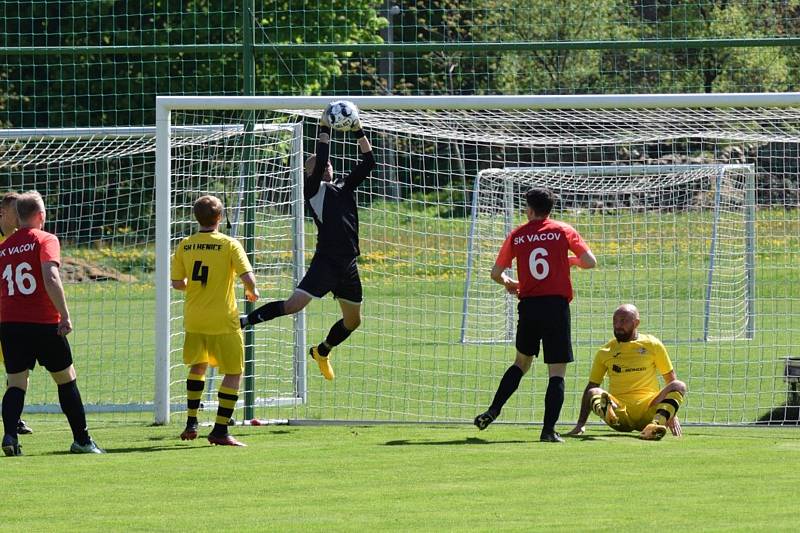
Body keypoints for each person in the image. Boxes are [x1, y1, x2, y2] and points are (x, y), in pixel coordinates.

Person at [241, 102, 375, 381]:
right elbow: (321, 154)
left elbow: (369, 163)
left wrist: (358, 129)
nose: (325, 165)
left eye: (326, 164)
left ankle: (322, 350)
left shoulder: (344, 185)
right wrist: (324, 126)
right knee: (293, 306)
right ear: (309, 173)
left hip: (348, 265)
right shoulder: (313, 190)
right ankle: (244, 322)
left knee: (354, 321)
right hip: (326, 262)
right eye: (318, 165)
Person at [474, 187, 596, 443]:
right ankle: (548, 430)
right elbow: (590, 261)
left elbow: (495, 273)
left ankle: (494, 409)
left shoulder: (517, 235)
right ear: (550, 209)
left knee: (521, 362)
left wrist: (509, 281)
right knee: (557, 372)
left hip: (529, 307)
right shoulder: (564, 230)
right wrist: (569, 261)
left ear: (529, 209)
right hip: (556, 307)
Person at [0, 191, 103, 456]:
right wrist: (65, 315)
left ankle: (10, 436)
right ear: (39, 215)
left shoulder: (4, 248)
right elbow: (51, 276)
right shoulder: (45, 239)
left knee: (16, 383)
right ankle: (82, 440)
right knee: (66, 379)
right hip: (43, 322)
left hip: (10, 323)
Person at [171, 195, 260, 447]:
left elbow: (178, 283)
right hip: (223, 319)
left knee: (198, 367)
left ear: (196, 217)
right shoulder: (229, 244)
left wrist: (195, 285)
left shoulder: (185, 244)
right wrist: (253, 291)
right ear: (219, 218)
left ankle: (191, 422)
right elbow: (248, 278)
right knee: (234, 372)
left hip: (195, 318)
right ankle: (220, 430)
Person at [567, 304, 687, 440]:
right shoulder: (604, 352)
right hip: (620, 412)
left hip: (649, 409)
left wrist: (671, 413)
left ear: (636, 323)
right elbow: (591, 386)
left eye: (623, 321)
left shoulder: (653, 345)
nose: (617, 325)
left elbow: (670, 380)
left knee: (679, 385)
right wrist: (580, 424)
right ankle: (608, 413)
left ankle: (654, 426)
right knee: (593, 392)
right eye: (615, 321)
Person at [0, 192, 32, 436]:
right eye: (16, 211)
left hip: (11, 317)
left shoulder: (22, 241)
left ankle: (15, 419)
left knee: (19, 371)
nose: (20, 216)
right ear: (5, 213)